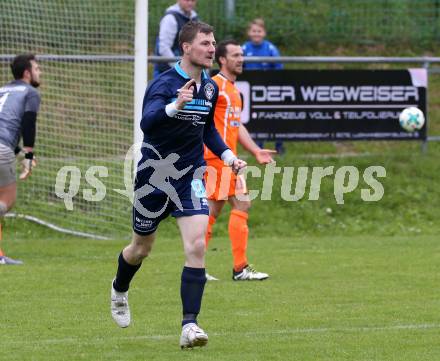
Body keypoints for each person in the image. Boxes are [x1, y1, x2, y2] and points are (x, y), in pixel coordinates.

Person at [110, 21, 247, 349]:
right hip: (154, 178)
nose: (212, 49)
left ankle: (190, 326)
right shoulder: (164, 84)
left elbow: (207, 130)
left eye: (213, 43)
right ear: (186, 47)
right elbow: (148, 123)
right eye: (205, 43)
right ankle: (119, 289)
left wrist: (228, 156)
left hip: (192, 176)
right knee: (140, 249)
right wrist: (175, 106)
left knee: (197, 245)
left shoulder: (211, 88)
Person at [204, 40, 275, 282]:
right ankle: (239, 268)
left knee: (212, 210)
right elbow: (201, 120)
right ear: (222, 60)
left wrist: (255, 151)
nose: (241, 59)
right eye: (235, 55)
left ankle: (197, 267)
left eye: (242, 55)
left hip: (227, 159)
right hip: (217, 158)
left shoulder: (233, 90)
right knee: (241, 205)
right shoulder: (215, 87)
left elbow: (237, 125)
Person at [0, 54, 41, 265]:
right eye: (37, 68)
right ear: (27, 73)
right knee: (7, 201)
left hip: (4, 146)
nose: (39, 72)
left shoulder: (2, 90)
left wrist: (19, 154)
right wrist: (29, 155)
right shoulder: (30, 92)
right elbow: (28, 122)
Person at [242, 18, 285, 154]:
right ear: (249, 33)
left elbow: (279, 67)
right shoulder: (244, 48)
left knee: (274, 117)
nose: (256, 34)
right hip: (251, 90)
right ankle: (258, 146)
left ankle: (279, 146)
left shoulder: (270, 48)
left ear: (264, 33)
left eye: (259, 31)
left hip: (268, 89)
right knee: (255, 118)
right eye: (254, 31)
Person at [153, 0, 198, 78]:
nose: (190, 3)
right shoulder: (170, 18)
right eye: (187, 0)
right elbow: (164, 48)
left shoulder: (194, 18)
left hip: (187, 73)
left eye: (193, 0)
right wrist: (180, 69)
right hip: (166, 74)